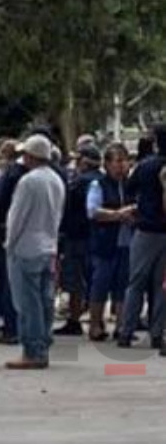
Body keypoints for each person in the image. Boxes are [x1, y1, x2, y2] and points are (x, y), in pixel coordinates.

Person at [4, 134, 66, 370]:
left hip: (26, 248)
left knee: (27, 303)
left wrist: (9, 244)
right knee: (44, 300)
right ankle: (43, 344)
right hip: (48, 246)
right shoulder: (56, 180)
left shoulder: (29, 181)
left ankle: (33, 350)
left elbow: (17, 217)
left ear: (30, 156)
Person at [116, 124, 166, 350]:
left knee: (135, 282)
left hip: (146, 230)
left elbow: (128, 189)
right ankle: (157, 333)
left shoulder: (146, 166)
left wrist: (136, 210)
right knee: (161, 285)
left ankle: (126, 332)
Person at [87, 142, 136, 342]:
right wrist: (117, 214)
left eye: (125, 161)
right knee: (100, 285)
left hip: (127, 243)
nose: (121, 165)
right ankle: (95, 325)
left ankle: (121, 326)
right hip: (105, 243)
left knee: (123, 285)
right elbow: (93, 211)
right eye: (117, 161)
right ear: (106, 164)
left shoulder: (131, 185)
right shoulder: (98, 184)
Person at [55, 142, 103, 337]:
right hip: (98, 237)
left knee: (75, 280)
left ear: (84, 161)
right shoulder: (103, 180)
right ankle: (96, 320)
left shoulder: (79, 182)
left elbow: (68, 209)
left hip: (77, 237)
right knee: (95, 279)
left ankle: (74, 320)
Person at [0, 139, 23, 344]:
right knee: (7, 281)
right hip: (11, 232)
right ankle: (6, 323)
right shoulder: (17, 176)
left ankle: (2, 323)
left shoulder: (7, 178)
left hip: (5, 231)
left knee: (2, 281)